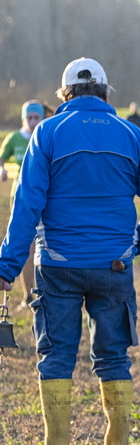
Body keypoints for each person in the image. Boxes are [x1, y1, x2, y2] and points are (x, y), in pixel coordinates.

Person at [0, 58, 140, 445]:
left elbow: (26, 205)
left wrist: (7, 266)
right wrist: (138, 243)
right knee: (113, 356)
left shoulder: (47, 133)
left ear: (64, 94)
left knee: (56, 355)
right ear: (105, 91)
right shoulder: (131, 134)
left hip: (57, 265)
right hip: (114, 265)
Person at [0, 101, 47, 299]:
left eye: (37, 117)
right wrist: (2, 170)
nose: (33, 121)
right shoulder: (15, 138)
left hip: (44, 197)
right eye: (29, 117)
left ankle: (44, 292)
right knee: (26, 244)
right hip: (19, 197)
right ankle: (28, 294)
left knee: (43, 244)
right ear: (23, 119)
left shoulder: (45, 136)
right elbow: (1, 157)